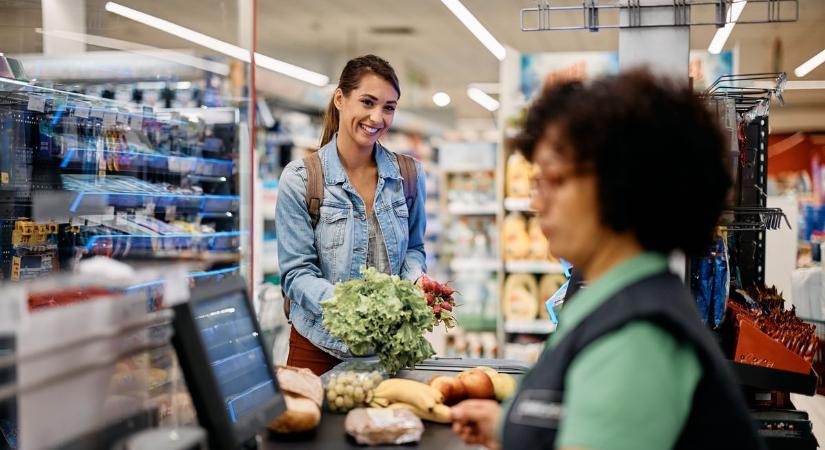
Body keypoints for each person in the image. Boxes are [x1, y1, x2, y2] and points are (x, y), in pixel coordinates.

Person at [451, 70, 765, 450]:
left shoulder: (636, 340)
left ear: (619, 183)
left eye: (555, 178)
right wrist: (511, 427)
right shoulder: (621, 301)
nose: (537, 203)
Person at [276, 55, 426, 376]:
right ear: (340, 99)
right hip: (317, 347)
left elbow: (414, 249)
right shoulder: (302, 178)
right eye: (368, 102)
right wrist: (352, 307)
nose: (377, 117)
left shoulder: (409, 175)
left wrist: (416, 283)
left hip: (388, 349)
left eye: (389, 107)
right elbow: (296, 274)